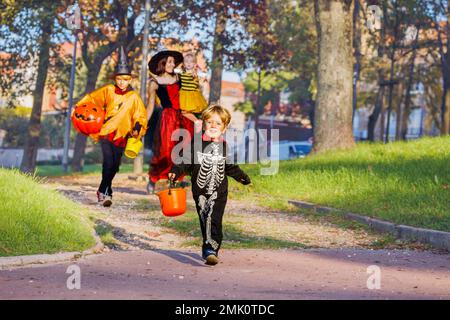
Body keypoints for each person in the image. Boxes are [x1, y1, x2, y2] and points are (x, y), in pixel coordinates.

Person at [168, 105, 251, 265]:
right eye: (210, 122)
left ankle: (211, 249)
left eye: (218, 123)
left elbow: (230, 166)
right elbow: (184, 160)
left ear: (225, 127)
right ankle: (208, 246)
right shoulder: (196, 143)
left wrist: (242, 177)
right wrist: (175, 171)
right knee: (204, 218)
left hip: (220, 191)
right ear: (204, 124)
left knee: (215, 218)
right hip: (199, 190)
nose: (213, 126)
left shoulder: (224, 146)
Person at [75, 46, 148, 207]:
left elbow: (140, 115)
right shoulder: (108, 90)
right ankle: (104, 192)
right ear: (115, 79)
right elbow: (92, 99)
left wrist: (136, 127)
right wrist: (80, 107)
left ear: (130, 79)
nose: (122, 82)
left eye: (125, 79)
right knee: (108, 162)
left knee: (115, 165)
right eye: (119, 79)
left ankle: (106, 189)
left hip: (123, 135)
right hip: (106, 132)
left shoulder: (133, 97)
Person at [147, 50, 194, 194]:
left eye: (174, 62)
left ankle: (176, 180)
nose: (172, 64)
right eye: (169, 62)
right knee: (165, 152)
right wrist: (142, 122)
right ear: (162, 63)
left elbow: (193, 92)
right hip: (168, 119)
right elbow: (150, 106)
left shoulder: (180, 78)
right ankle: (153, 178)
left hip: (184, 117)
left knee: (183, 150)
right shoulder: (154, 83)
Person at [179, 53, 208, 133]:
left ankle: (197, 121)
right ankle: (195, 123)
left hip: (192, 96)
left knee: (184, 112)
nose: (188, 63)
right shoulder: (181, 73)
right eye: (186, 61)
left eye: (191, 62)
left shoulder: (196, 74)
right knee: (183, 112)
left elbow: (203, 78)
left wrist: (199, 73)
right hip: (183, 95)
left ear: (194, 64)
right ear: (183, 64)